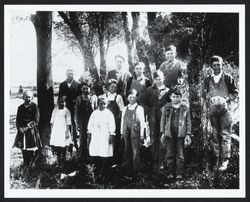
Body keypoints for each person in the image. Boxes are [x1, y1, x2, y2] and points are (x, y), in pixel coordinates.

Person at [203, 55, 238, 171]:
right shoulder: (208, 79)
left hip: (225, 111)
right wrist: (208, 98)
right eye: (214, 65)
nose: (217, 67)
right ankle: (217, 158)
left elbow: (235, 92)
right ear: (211, 66)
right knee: (215, 134)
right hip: (213, 111)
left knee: (225, 134)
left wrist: (226, 99)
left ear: (222, 65)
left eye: (219, 64)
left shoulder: (228, 78)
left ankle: (225, 159)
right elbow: (204, 94)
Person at [160, 88, 192, 180]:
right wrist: (162, 132)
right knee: (170, 153)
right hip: (169, 134)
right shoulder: (166, 107)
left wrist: (188, 134)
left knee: (180, 154)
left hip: (180, 134)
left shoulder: (185, 108)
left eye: (177, 96)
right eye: (173, 96)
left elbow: (188, 121)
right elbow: (162, 121)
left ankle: (179, 173)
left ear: (181, 97)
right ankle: (170, 172)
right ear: (170, 97)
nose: (175, 98)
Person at [144, 70, 171, 171]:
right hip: (152, 118)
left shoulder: (167, 90)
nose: (158, 81)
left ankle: (161, 161)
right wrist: (148, 115)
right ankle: (154, 161)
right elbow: (146, 104)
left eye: (160, 78)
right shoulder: (149, 90)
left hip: (163, 118)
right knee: (153, 138)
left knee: (162, 138)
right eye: (156, 79)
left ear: (163, 78)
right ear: (153, 80)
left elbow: (170, 104)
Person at [87, 96, 116, 180]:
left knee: (104, 151)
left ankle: (103, 171)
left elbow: (112, 125)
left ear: (106, 104)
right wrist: (89, 134)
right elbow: (90, 124)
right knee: (95, 150)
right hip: (96, 134)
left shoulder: (109, 114)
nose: (102, 105)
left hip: (104, 135)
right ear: (98, 104)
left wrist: (111, 135)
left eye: (104, 104)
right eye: (100, 103)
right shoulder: (94, 113)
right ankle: (95, 170)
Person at [13, 91, 42, 173]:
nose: (28, 98)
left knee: (31, 149)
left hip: (31, 131)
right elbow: (17, 120)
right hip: (22, 131)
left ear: (32, 98)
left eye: (29, 97)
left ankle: (30, 165)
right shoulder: (20, 107)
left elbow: (36, 120)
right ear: (23, 97)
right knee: (23, 148)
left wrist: (27, 128)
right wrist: (20, 128)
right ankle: (25, 164)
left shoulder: (34, 107)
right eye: (26, 97)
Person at [120, 89, 145, 178]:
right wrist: (121, 133)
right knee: (127, 150)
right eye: (130, 97)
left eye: (134, 97)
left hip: (135, 131)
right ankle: (128, 171)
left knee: (135, 151)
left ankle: (136, 172)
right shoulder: (124, 108)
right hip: (126, 130)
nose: (132, 99)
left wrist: (142, 134)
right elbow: (122, 121)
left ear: (136, 98)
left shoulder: (140, 108)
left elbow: (142, 122)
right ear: (127, 98)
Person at [75, 82, 98, 167]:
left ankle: (91, 158)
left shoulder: (94, 98)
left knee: (91, 139)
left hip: (91, 121)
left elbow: (96, 110)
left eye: (87, 88)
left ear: (90, 89)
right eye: (84, 88)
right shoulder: (79, 98)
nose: (85, 90)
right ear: (81, 89)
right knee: (82, 139)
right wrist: (77, 123)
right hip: (82, 121)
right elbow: (76, 112)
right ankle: (82, 159)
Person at [103, 79, 124, 166]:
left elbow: (121, 110)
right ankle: (106, 158)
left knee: (115, 139)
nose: (113, 88)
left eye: (115, 87)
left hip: (115, 121)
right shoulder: (104, 96)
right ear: (108, 87)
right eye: (111, 87)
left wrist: (117, 119)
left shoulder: (118, 97)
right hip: (106, 121)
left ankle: (115, 159)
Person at [59, 69, 80, 150]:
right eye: (68, 74)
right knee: (66, 125)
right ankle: (66, 144)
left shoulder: (77, 84)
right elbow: (60, 97)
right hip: (65, 108)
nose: (70, 75)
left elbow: (79, 97)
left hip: (74, 108)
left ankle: (75, 143)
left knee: (74, 126)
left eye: (72, 74)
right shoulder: (62, 84)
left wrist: (75, 101)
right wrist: (62, 100)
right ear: (66, 74)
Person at [50, 96, 72, 168]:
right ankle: (58, 162)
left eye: (63, 102)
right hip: (56, 131)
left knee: (63, 147)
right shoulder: (54, 110)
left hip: (63, 130)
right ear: (57, 102)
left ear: (65, 103)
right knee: (57, 147)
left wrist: (67, 132)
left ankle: (63, 162)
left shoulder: (67, 111)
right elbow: (52, 121)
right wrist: (52, 131)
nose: (61, 103)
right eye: (60, 102)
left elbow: (68, 123)